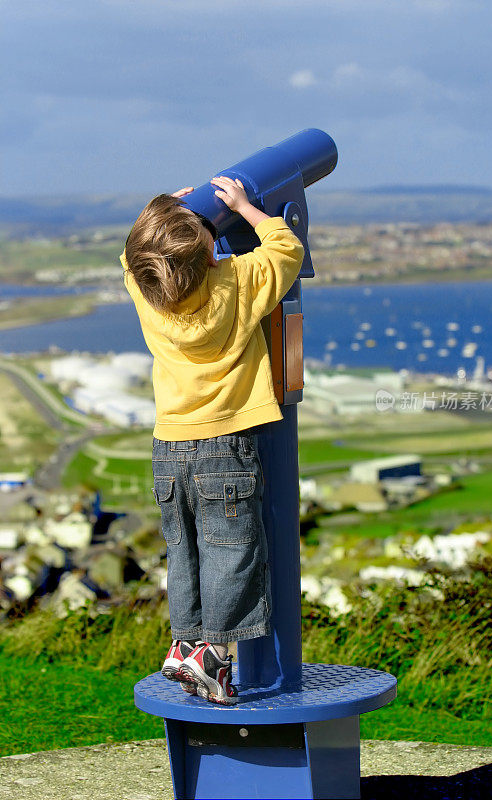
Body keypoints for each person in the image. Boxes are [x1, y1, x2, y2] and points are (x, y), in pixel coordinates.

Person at [120, 176, 304, 705]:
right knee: (233, 555)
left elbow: (129, 257)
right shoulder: (236, 282)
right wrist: (248, 210)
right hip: (225, 444)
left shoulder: (146, 294)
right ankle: (214, 656)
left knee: (186, 551)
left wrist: (161, 213)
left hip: (169, 447)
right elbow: (286, 249)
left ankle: (185, 642)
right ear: (207, 250)